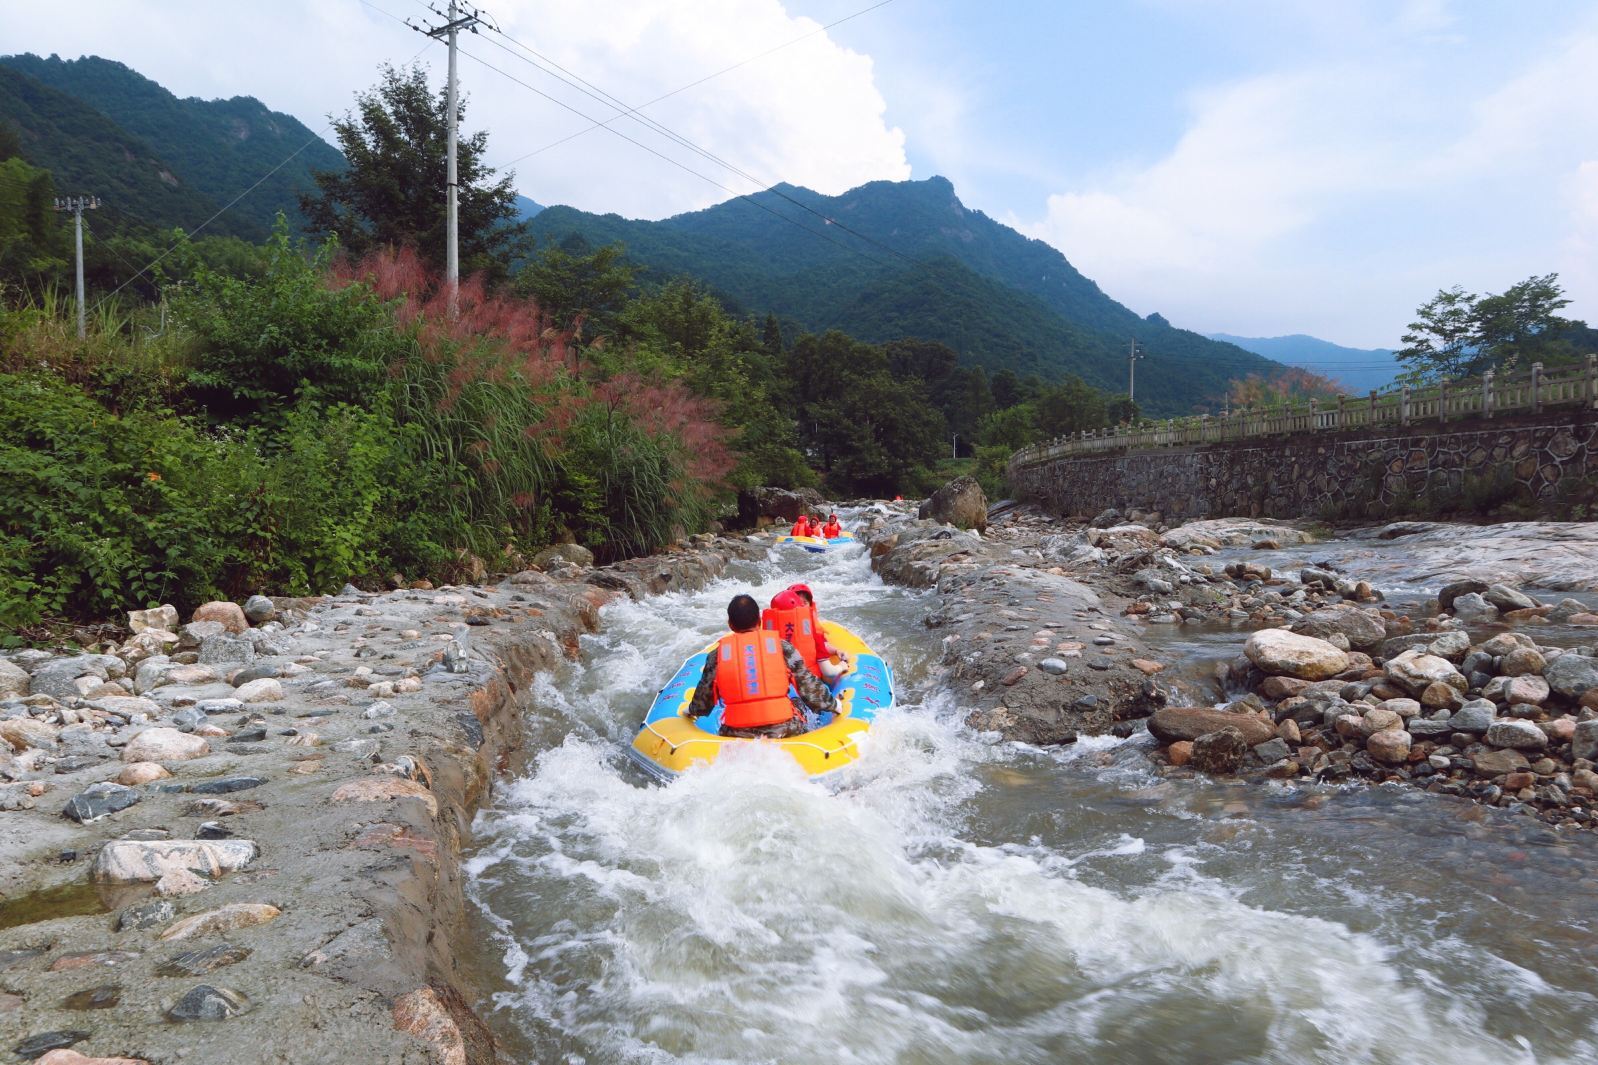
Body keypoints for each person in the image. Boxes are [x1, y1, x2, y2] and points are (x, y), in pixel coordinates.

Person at [688, 594, 838, 738]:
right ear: (759, 621)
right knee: (798, 703)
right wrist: (835, 706)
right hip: (785, 731)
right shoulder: (783, 647)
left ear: (730, 625)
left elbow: (702, 704)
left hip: (736, 734)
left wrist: (690, 711)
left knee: (722, 712)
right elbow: (809, 689)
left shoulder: (717, 655)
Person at [784, 582, 848, 681]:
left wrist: (836, 651)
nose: (802, 606)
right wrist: (842, 666)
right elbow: (829, 672)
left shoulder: (774, 631)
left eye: (804, 603)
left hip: (786, 685)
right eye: (799, 603)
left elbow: (821, 646)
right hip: (809, 685)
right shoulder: (812, 631)